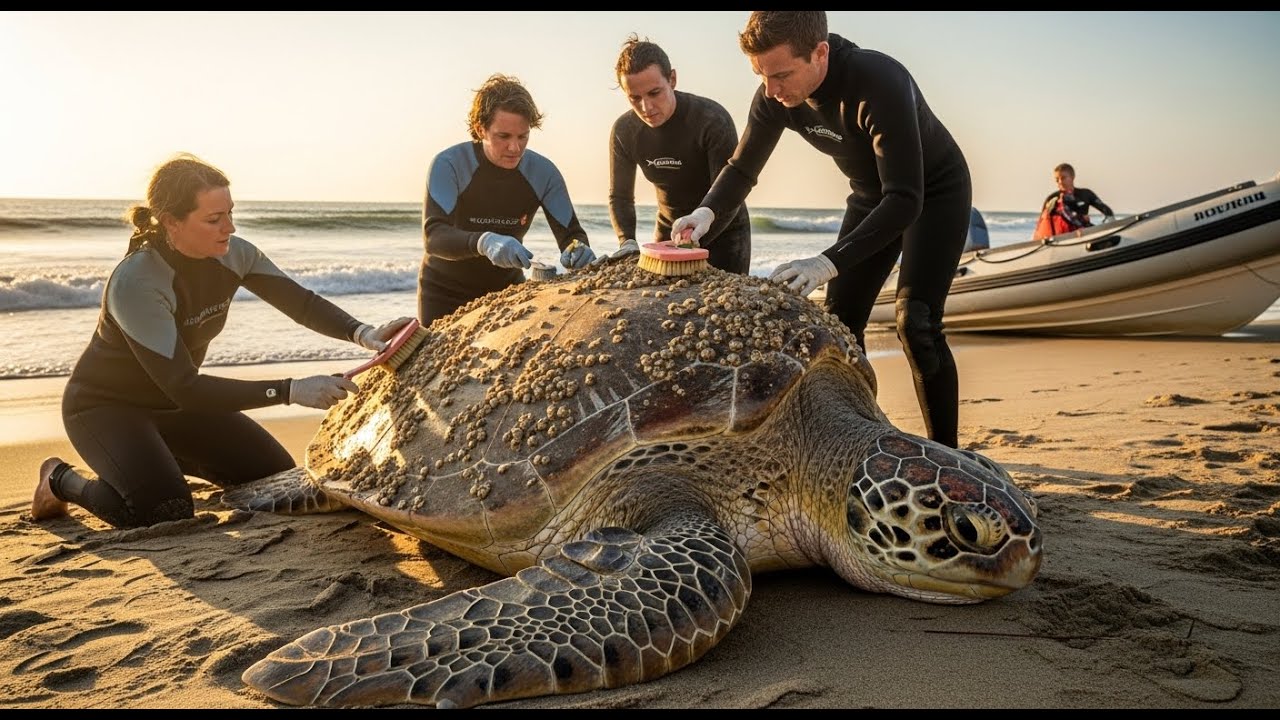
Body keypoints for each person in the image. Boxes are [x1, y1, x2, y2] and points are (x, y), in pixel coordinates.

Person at [32, 153, 415, 528]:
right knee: (160, 510)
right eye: (214, 219)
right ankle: (59, 480)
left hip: (177, 408)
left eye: (230, 213)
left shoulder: (234, 254)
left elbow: (301, 302)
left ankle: (156, 458)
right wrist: (290, 390)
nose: (229, 227)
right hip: (107, 410)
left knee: (276, 480)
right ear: (171, 222)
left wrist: (363, 333)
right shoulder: (139, 282)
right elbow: (185, 386)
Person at [671, 11, 973, 449]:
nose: (772, 90)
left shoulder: (879, 81)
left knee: (918, 324)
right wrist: (705, 214)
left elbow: (906, 199)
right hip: (872, 197)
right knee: (841, 324)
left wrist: (826, 261)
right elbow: (741, 169)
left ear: (820, 53)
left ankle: (947, 452)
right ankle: (866, 439)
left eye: (782, 74)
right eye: (761, 75)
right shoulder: (774, 95)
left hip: (933, 192)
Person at [418, 73, 594, 324]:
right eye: (504, 136)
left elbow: (571, 234)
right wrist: (485, 241)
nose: (515, 148)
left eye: (522, 136)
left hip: (507, 290)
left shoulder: (544, 173)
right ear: (481, 129)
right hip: (443, 291)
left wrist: (578, 250)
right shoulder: (450, 164)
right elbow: (434, 237)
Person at [607, 33, 751, 273]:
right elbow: (620, 197)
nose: (646, 107)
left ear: (672, 79)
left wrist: (691, 242)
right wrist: (627, 242)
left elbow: (729, 190)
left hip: (724, 230)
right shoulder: (625, 131)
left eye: (655, 93)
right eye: (634, 98)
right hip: (669, 231)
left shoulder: (711, 120)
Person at [1033, 162, 1115, 240]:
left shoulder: (1085, 194)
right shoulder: (1052, 199)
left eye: (1063, 178)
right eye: (1057, 179)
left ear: (1072, 177)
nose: (1060, 182)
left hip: (1085, 234)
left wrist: (1113, 229)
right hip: (1063, 239)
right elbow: (1041, 225)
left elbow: (1107, 211)